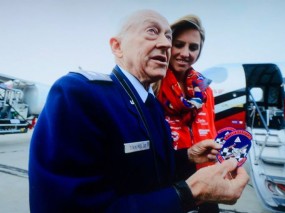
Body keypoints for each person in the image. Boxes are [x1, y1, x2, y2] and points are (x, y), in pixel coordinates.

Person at [28, 9, 249, 213]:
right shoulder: (79, 94)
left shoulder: (150, 105)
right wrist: (190, 192)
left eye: (168, 36)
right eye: (152, 32)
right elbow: (67, 205)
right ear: (117, 46)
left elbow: (149, 170)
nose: (165, 44)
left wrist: (188, 156)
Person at [153, 15, 219, 212]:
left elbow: (211, 129)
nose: (185, 53)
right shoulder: (152, 85)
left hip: (205, 174)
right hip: (168, 178)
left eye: (193, 47)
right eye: (179, 44)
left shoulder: (205, 90)